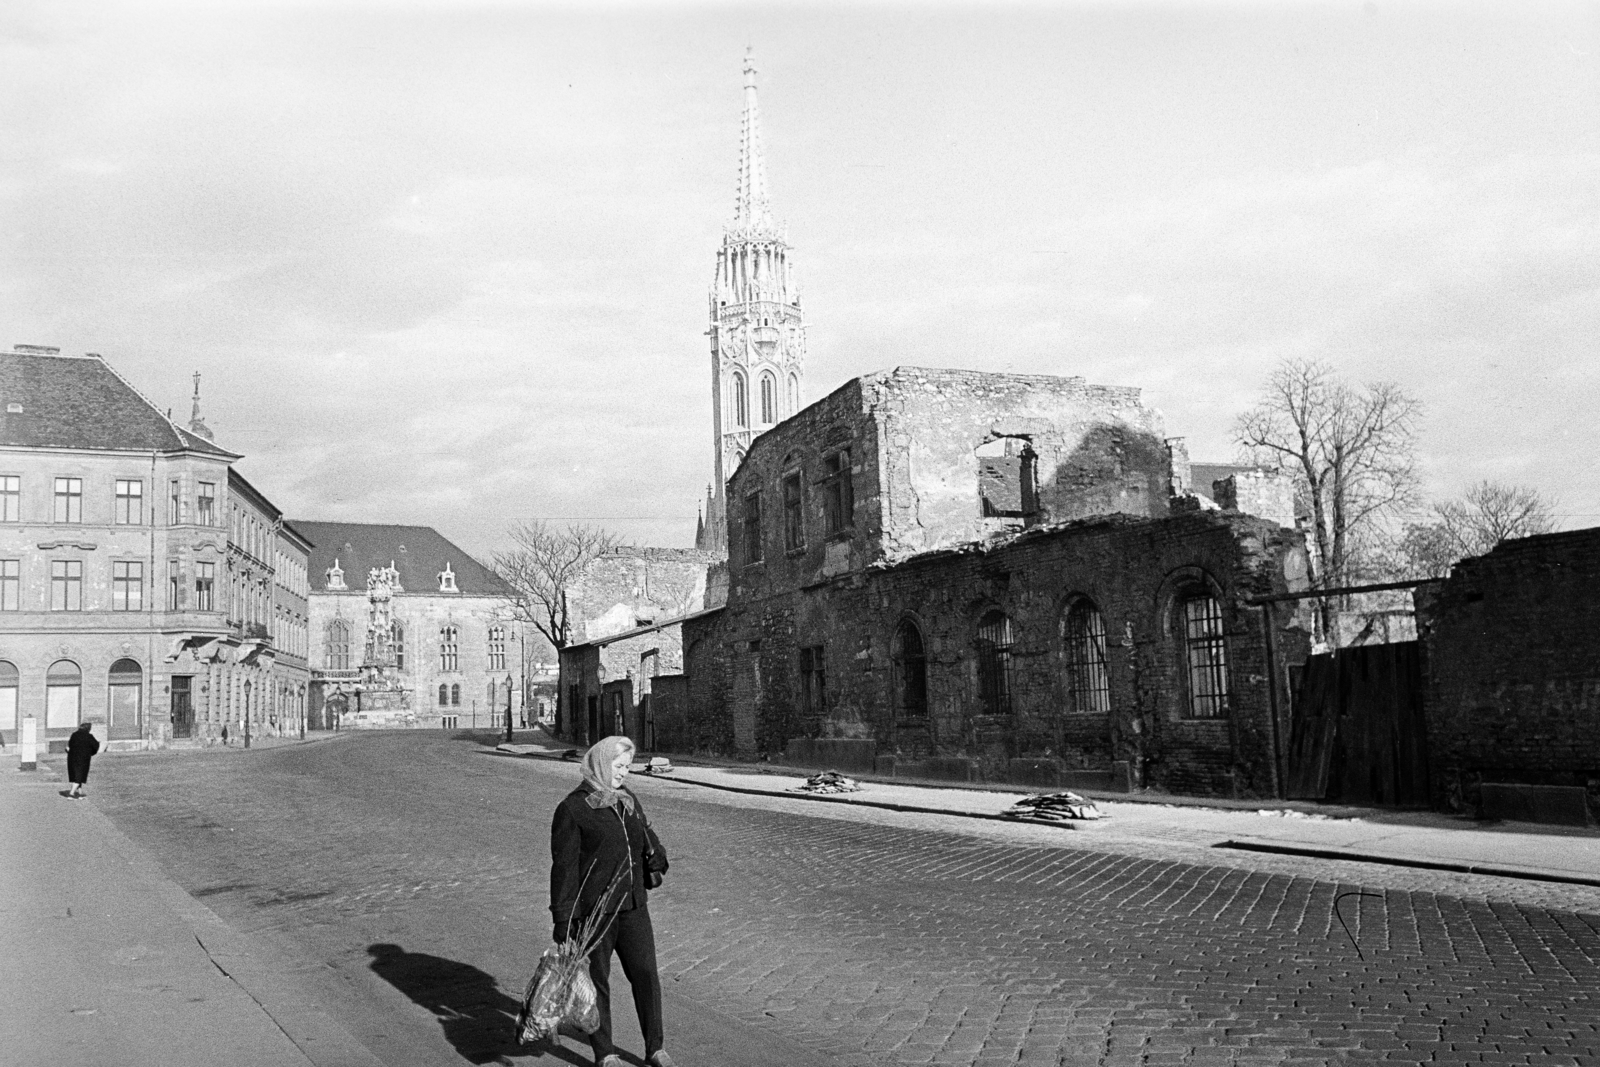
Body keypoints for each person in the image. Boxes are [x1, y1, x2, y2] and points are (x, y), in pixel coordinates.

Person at [549, 736, 674, 1067]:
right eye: (618, 767)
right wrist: (564, 919)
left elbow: (646, 835)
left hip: (633, 905)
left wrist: (657, 856)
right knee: (597, 982)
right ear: (602, 764)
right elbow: (563, 868)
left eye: (627, 767)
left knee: (646, 973)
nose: (623, 774)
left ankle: (655, 1048)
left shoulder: (627, 799)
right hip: (595, 913)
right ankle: (605, 1052)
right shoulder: (573, 809)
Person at [65, 722, 100, 799]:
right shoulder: (89, 736)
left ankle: (80, 794)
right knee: (80, 775)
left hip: (72, 757)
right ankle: (71, 794)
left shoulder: (74, 734)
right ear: (88, 729)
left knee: (76, 774)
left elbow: (70, 744)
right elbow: (95, 746)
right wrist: (91, 753)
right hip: (83, 759)